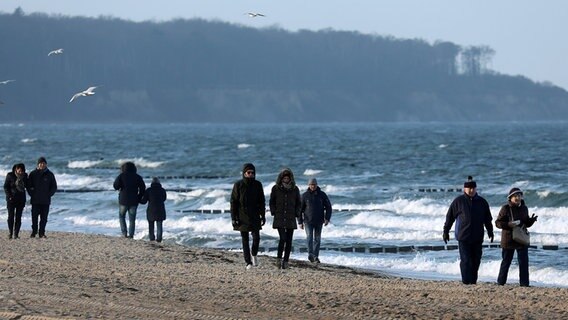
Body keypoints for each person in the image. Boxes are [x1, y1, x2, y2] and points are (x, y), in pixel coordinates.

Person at [443, 176, 494, 285]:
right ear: (464, 189)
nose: (471, 190)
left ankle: (473, 281)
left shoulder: (482, 202)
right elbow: (450, 217)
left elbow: (487, 219)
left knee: (476, 261)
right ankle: (466, 282)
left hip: (477, 237)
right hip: (463, 237)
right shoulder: (458, 201)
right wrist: (446, 231)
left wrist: (490, 231)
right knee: (466, 261)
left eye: (473, 188)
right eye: (469, 188)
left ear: (476, 189)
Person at [495, 188, 538, 287]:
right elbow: (497, 223)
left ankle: (524, 284)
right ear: (510, 198)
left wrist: (531, 220)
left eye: (519, 196)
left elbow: (525, 223)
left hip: (521, 239)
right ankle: (500, 282)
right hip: (508, 239)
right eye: (515, 196)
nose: (518, 198)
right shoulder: (505, 208)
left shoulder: (524, 208)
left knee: (523, 262)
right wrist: (508, 224)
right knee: (506, 262)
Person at [230, 163, 266, 270]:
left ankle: (254, 253)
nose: (251, 174)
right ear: (244, 173)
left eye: (253, 173)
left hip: (254, 215)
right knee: (244, 240)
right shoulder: (238, 185)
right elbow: (233, 202)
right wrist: (234, 217)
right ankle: (248, 262)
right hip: (242, 215)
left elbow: (262, 201)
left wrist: (263, 215)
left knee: (256, 238)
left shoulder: (258, 185)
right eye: (248, 172)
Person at [269, 168, 302, 269]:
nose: (286, 180)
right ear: (281, 178)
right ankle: (279, 259)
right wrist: (273, 211)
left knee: (289, 241)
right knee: (282, 238)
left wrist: (297, 213)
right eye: (284, 178)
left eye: (288, 178)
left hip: (291, 217)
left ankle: (286, 261)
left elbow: (299, 203)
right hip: (279, 217)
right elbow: (271, 201)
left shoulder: (295, 189)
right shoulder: (276, 188)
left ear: (290, 178)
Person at [299, 178, 332, 264]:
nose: (313, 186)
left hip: (319, 221)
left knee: (317, 239)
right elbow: (299, 210)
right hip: (308, 221)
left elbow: (328, 207)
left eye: (314, 185)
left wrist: (327, 218)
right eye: (311, 185)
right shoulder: (304, 196)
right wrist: (300, 222)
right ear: (309, 185)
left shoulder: (322, 195)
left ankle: (315, 256)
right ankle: (311, 255)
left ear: (317, 185)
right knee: (309, 238)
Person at [113, 161, 146, 238]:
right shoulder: (138, 177)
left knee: (122, 216)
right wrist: (139, 197)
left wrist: (121, 187)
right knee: (132, 219)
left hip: (123, 200)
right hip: (134, 200)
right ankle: (131, 235)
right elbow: (142, 188)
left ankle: (124, 233)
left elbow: (115, 186)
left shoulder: (121, 176)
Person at [27, 157, 57, 238]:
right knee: (34, 218)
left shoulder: (50, 174)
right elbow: (28, 186)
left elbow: (54, 187)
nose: (42, 165)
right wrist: (32, 194)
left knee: (44, 218)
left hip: (45, 200)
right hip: (35, 200)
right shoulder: (33, 174)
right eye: (40, 163)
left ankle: (42, 233)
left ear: (46, 164)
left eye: (43, 163)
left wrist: (49, 194)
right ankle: (34, 232)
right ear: (38, 164)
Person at [3, 163, 28, 239]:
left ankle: (16, 234)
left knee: (18, 217)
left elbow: (28, 185)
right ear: (16, 169)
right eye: (19, 170)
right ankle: (10, 232)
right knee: (10, 217)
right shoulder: (10, 175)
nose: (20, 172)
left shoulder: (25, 176)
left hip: (21, 199)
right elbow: (6, 186)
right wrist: (9, 196)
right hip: (11, 199)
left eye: (22, 171)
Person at [140, 177, 167, 243]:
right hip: (160, 209)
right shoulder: (162, 190)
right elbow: (164, 199)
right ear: (159, 183)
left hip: (151, 210)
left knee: (151, 225)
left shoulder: (149, 190)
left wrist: (138, 199)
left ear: (152, 183)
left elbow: (144, 201)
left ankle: (152, 238)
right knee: (159, 225)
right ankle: (159, 239)